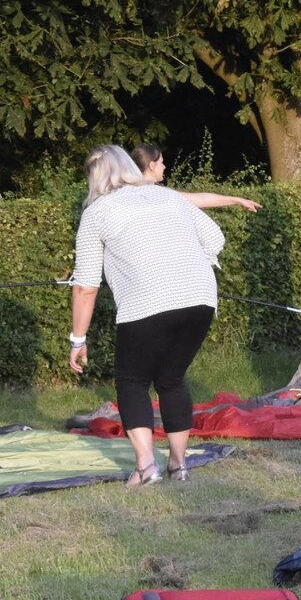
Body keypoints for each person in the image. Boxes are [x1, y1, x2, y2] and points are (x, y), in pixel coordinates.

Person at [69, 145, 225, 486]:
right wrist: (189, 264)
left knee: (132, 380)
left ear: (94, 178)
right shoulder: (167, 196)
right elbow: (214, 237)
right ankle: (179, 466)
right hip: (200, 296)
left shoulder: (97, 212)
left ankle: (146, 466)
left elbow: (85, 287)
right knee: (171, 379)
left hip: (145, 301)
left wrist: (77, 339)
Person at [131, 142, 262, 213]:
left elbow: (202, 198)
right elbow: (201, 199)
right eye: (161, 162)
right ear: (152, 165)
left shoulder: (125, 193)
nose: (164, 167)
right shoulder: (162, 195)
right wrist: (238, 200)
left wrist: (238, 200)